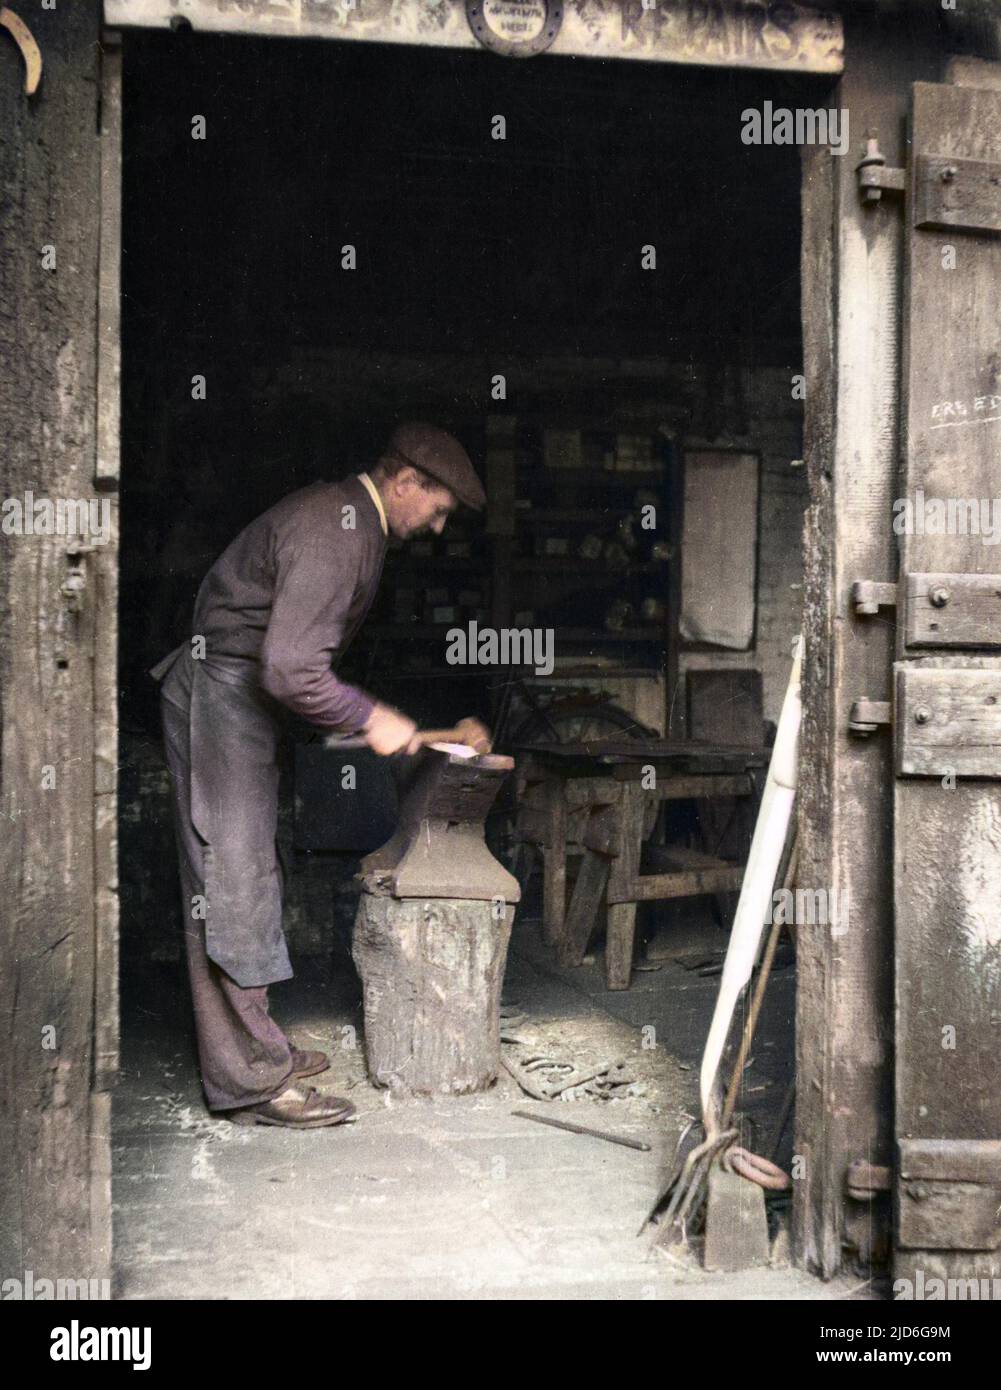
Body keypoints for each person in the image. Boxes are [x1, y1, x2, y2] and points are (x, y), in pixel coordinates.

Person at [152, 422, 489, 1128]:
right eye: (438, 506)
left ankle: (257, 1043)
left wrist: (369, 719)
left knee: (252, 868)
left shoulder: (350, 522)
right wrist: (371, 718)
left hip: (242, 703)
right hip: (222, 694)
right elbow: (288, 667)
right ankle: (250, 1080)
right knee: (231, 876)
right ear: (404, 481)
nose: (437, 524)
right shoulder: (336, 529)